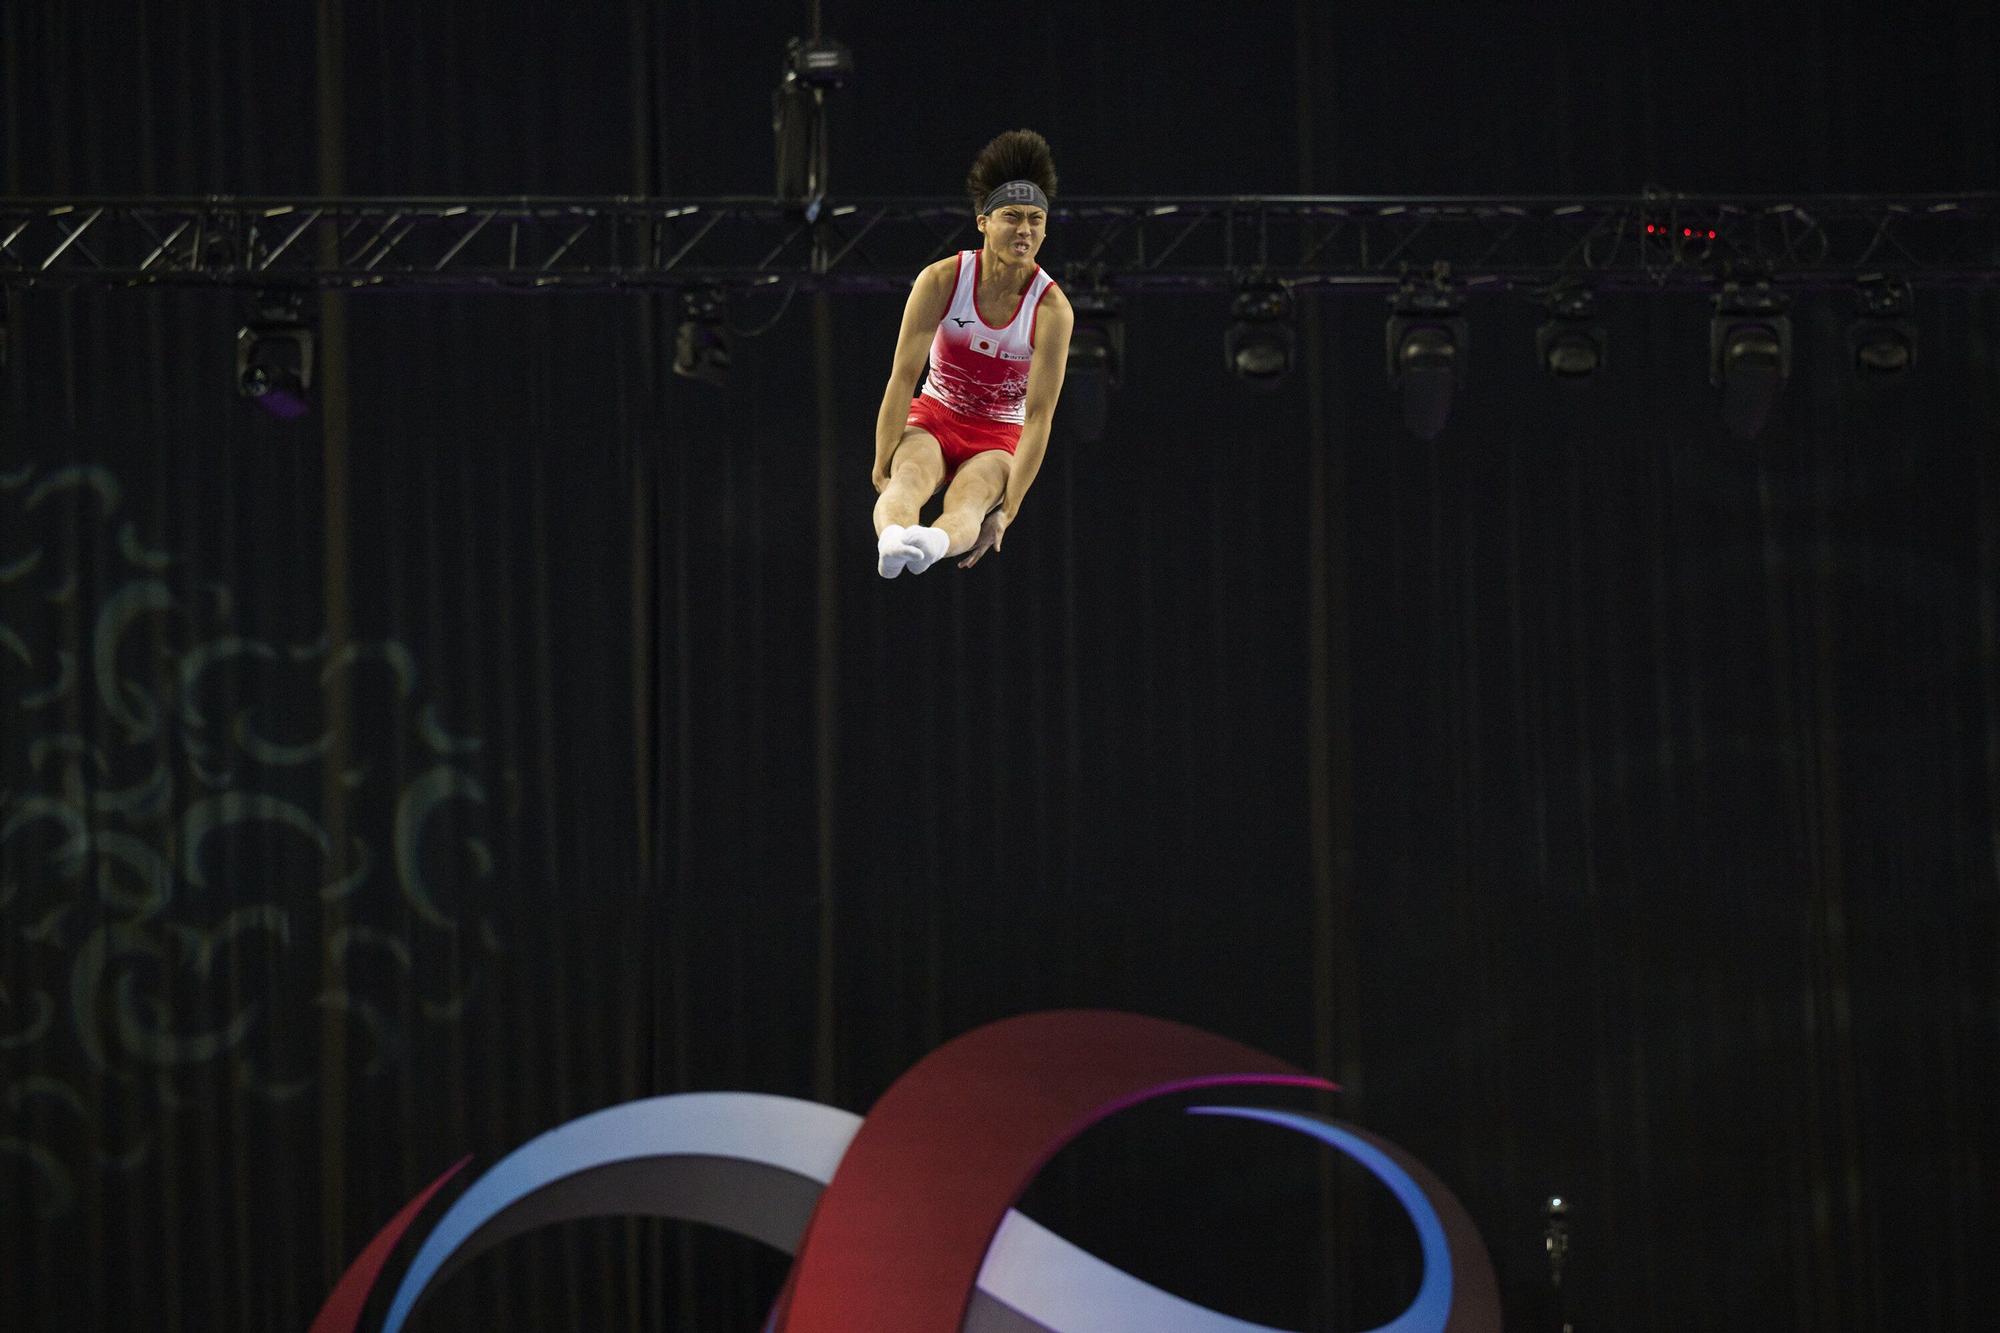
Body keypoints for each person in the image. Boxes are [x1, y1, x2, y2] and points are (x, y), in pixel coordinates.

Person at [870, 129, 1075, 577]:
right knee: (908, 478)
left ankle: (931, 543)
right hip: (936, 413)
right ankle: (892, 541)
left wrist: (1009, 510)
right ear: (983, 221)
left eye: (1036, 219)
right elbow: (903, 376)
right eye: (1012, 216)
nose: (1025, 229)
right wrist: (881, 462)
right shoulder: (943, 280)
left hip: (999, 434)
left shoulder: (1052, 309)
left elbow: (1040, 418)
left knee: (972, 499)